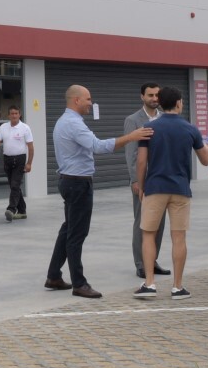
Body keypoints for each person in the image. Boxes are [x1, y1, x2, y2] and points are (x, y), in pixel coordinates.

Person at [46, 85, 152, 298]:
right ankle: (79, 284)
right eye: (88, 99)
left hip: (70, 181)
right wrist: (131, 136)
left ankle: (54, 275)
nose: (91, 103)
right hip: (78, 183)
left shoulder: (65, 121)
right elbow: (99, 146)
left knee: (68, 229)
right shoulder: (73, 124)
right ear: (76, 100)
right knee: (76, 234)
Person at [134, 85, 208, 299]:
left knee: (148, 235)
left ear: (160, 102)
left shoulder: (149, 128)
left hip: (155, 187)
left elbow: (141, 162)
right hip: (180, 189)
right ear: (179, 103)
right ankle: (177, 286)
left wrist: (141, 186)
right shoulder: (190, 129)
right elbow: (205, 160)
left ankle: (150, 284)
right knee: (178, 237)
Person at [124, 82, 168, 280]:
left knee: (159, 222)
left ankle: (153, 260)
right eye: (150, 95)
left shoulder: (165, 118)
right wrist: (136, 180)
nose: (154, 98)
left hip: (162, 180)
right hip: (143, 180)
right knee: (142, 222)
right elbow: (131, 153)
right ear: (142, 97)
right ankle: (141, 264)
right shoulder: (133, 120)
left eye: (157, 95)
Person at [0, 105, 35, 220]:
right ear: (8, 115)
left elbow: (31, 147)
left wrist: (29, 163)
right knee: (13, 186)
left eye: (16, 113)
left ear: (19, 115)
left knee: (15, 185)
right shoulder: (3, 127)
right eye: (12, 113)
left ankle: (11, 209)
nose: (14, 116)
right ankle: (22, 211)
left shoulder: (25, 128)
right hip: (7, 159)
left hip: (20, 159)